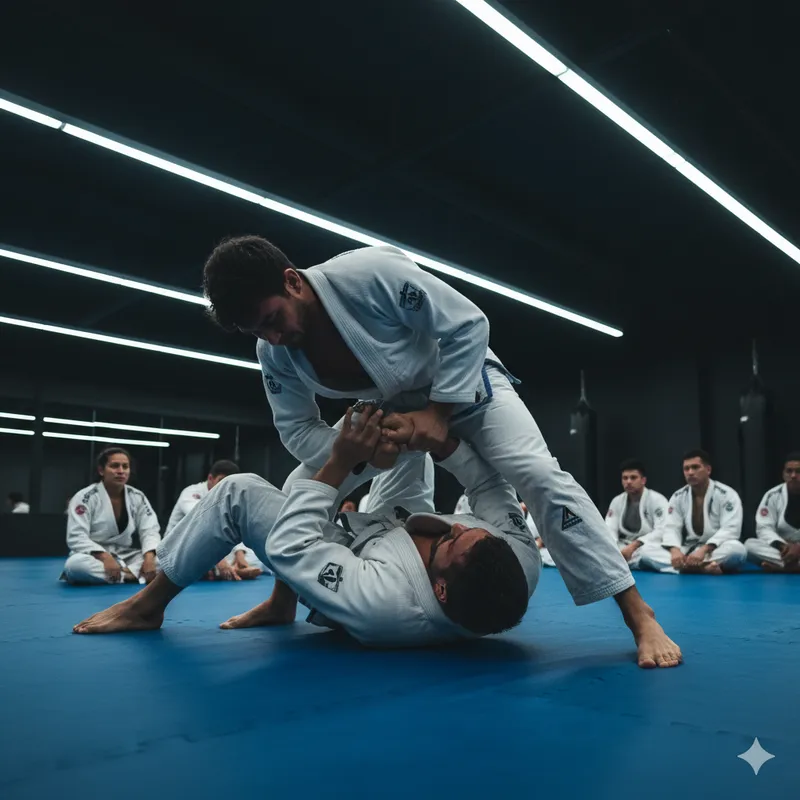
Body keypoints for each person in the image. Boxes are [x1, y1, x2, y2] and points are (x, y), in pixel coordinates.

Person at [200, 237, 678, 661]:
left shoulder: (369, 275)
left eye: (272, 320)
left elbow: (467, 325)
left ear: (292, 282)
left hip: (466, 387)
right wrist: (359, 449)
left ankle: (638, 613)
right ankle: (283, 600)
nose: (273, 337)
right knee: (301, 482)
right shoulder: (274, 352)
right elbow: (298, 430)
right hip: (392, 416)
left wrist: (439, 414)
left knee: (536, 473)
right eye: (258, 332)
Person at [73, 408, 682, 668]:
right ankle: (281, 598)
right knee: (409, 454)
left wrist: (338, 466)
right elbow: (493, 494)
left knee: (242, 493)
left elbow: (293, 544)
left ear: (438, 584)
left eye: (448, 540)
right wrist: (439, 442)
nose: (450, 525)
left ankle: (148, 605)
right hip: (393, 538)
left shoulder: (383, 606)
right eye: (463, 529)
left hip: (351, 550)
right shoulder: (512, 563)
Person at [61, 447, 161, 585]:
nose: (121, 471)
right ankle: (130, 575)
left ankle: (120, 575)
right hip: (93, 556)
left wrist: (149, 558)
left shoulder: (137, 496)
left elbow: (149, 530)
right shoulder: (85, 497)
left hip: (124, 554)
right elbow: (76, 536)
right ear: (101, 470)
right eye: (114, 466)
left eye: (125, 466)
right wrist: (104, 557)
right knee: (74, 566)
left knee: (167, 561)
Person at [648, 450, 747, 574]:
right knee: (646, 551)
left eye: (695, 467)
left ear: (708, 470)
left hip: (714, 549)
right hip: (689, 550)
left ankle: (684, 568)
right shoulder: (678, 496)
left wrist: (704, 549)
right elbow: (671, 527)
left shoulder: (727, 494)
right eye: (686, 469)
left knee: (737, 550)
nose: (690, 472)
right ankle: (704, 568)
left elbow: (731, 529)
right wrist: (675, 551)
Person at [165, 459, 264, 580]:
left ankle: (231, 569)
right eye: (221, 481)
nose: (225, 487)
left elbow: (236, 529)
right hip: (182, 547)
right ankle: (229, 570)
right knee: (193, 558)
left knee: (257, 557)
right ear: (210, 478)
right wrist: (219, 560)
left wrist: (240, 553)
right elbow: (202, 524)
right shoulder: (191, 493)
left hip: (214, 547)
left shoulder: (230, 498)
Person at [604, 460, 670, 571]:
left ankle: (628, 563)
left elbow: (662, 530)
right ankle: (634, 563)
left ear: (643, 480)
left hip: (646, 545)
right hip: (623, 546)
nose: (628, 482)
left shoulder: (657, 500)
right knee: (601, 551)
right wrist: (614, 549)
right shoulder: (617, 501)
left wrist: (635, 545)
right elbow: (610, 529)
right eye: (625, 478)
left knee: (646, 554)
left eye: (633, 478)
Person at [745, 452, 800, 572]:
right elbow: (764, 528)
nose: (793, 475)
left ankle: (783, 567)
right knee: (749, 545)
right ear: (783, 474)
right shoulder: (773, 495)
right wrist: (781, 545)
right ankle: (792, 566)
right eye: (789, 471)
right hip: (783, 550)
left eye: (798, 471)